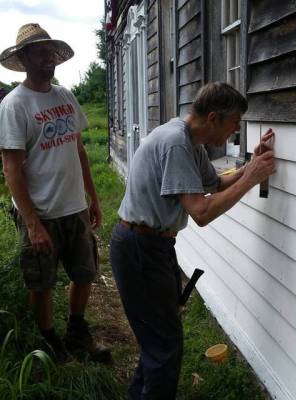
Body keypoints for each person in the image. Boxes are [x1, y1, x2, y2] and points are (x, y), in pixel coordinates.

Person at [110, 82, 276, 399]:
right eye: (233, 124)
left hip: (150, 246)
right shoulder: (176, 144)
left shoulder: (188, 140)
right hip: (140, 249)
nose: (234, 133)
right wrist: (252, 178)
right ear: (213, 118)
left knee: (157, 339)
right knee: (164, 345)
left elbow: (215, 183)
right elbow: (200, 211)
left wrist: (248, 166)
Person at [0, 23, 110, 363]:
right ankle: (49, 340)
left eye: (50, 51)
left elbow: (78, 150)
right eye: (40, 51)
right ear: (24, 58)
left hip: (74, 207)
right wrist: (32, 223)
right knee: (42, 282)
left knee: (84, 272)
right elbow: (12, 169)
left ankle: (77, 331)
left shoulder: (65, 95)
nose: (48, 57)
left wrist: (92, 197)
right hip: (41, 214)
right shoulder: (15, 105)